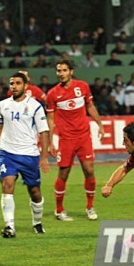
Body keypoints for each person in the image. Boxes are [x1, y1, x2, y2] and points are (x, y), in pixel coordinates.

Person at [0, 73, 50, 237]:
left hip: (29, 155)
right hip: (7, 153)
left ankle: (37, 222)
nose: (14, 86)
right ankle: (9, 227)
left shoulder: (35, 106)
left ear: (26, 86)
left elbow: (44, 132)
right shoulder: (2, 105)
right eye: (11, 83)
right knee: (7, 184)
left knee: (34, 192)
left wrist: (44, 157)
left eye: (18, 83)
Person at [46, 59, 105, 221]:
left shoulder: (83, 86)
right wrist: (51, 142)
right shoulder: (52, 94)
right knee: (63, 174)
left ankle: (90, 206)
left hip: (84, 136)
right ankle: (59, 210)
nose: (61, 74)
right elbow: (50, 119)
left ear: (71, 71)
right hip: (66, 139)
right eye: (58, 71)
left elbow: (90, 106)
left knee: (89, 170)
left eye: (64, 70)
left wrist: (99, 124)